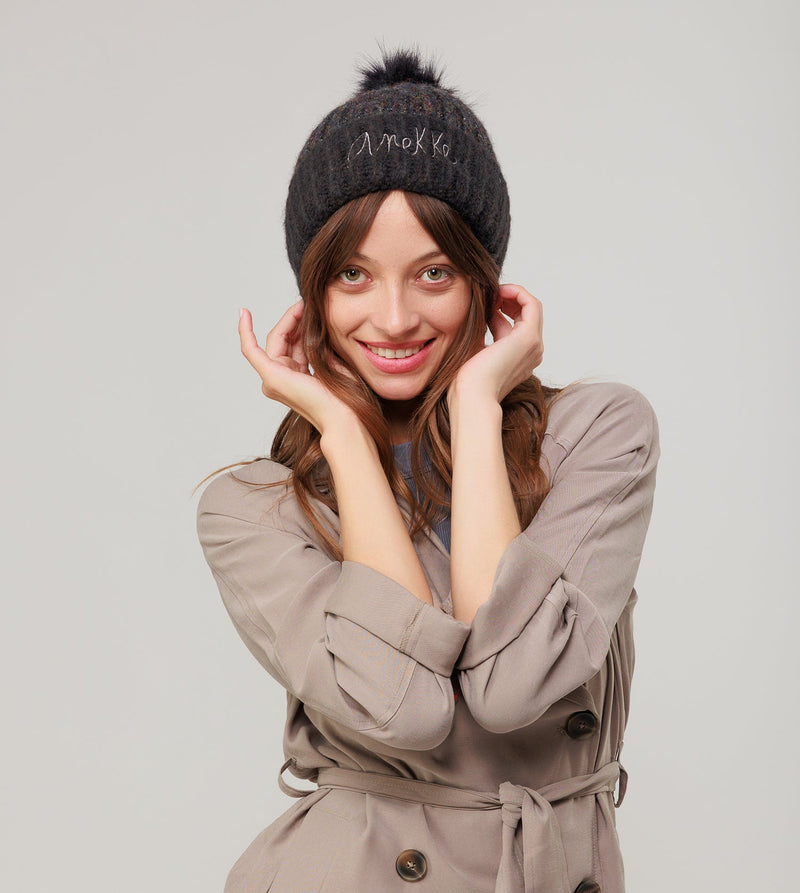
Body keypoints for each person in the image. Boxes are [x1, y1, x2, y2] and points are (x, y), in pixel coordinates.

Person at [197, 48, 659, 893]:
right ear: (314, 292)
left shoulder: (597, 434)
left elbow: (516, 686)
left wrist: (480, 401)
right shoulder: (253, 506)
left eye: (435, 273)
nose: (396, 316)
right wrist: (337, 426)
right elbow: (405, 705)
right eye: (353, 275)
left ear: (485, 281)